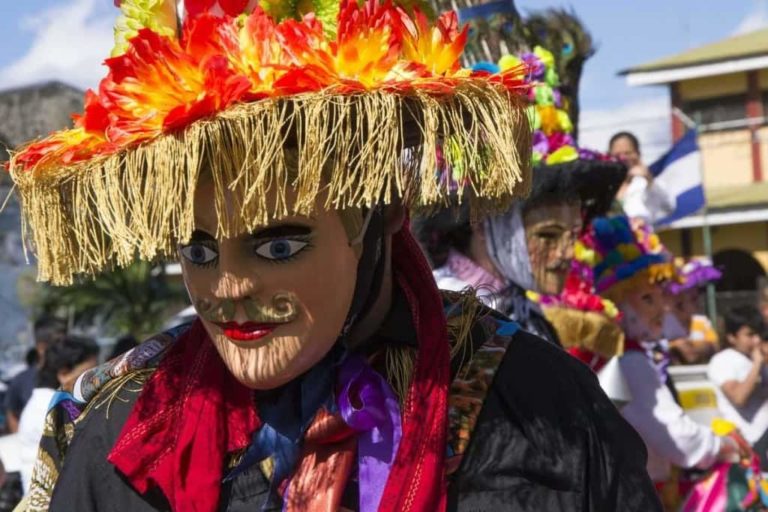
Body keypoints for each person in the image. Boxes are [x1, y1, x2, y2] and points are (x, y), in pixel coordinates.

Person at [9, 2, 659, 511]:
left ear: (382, 213)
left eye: (278, 243)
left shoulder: (536, 408)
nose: (229, 287)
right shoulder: (131, 429)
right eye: (198, 248)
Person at [416, 46, 627, 345]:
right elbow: (472, 392)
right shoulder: (454, 315)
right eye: (548, 236)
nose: (567, 253)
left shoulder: (518, 308)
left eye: (572, 236)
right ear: (481, 223)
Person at [589, 216, 739, 509]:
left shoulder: (621, 359)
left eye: (659, 297)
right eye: (647, 299)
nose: (660, 309)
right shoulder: (629, 363)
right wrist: (725, 446)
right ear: (617, 305)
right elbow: (678, 439)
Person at [17, 336, 99, 492]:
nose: (97, 381)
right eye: (90, 374)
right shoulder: (53, 407)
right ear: (64, 373)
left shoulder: (46, 401)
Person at [707, 306, 768, 469]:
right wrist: (756, 364)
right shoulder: (724, 360)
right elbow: (738, 397)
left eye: (758, 334)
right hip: (749, 443)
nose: (756, 341)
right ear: (732, 337)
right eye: (749, 335)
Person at [3, 318, 65, 433]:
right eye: (58, 343)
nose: (64, 349)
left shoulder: (68, 376)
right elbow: (12, 413)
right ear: (41, 347)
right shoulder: (21, 380)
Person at [609, 131, 673, 224]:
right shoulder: (605, 184)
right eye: (617, 155)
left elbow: (669, 207)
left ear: (637, 153)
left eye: (628, 153)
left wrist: (648, 178)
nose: (622, 157)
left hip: (643, 236)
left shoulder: (646, 183)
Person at [665, 258, 721, 365]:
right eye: (693, 299)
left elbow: (714, 346)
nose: (698, 302)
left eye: (696, 297)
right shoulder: (665, 322)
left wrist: (689, 346)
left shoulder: (701, 320)